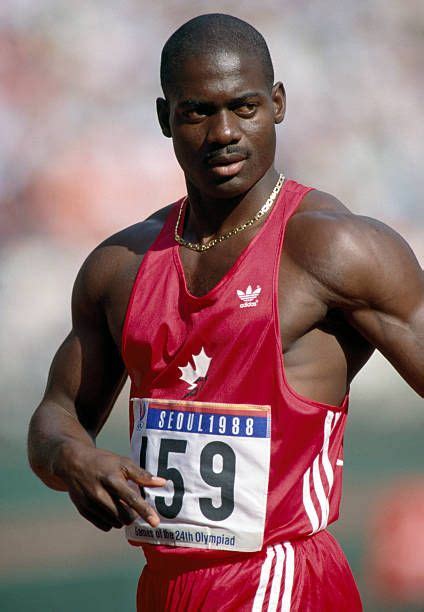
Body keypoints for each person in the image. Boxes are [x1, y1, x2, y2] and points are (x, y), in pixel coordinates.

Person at [28, 13, 424, 612]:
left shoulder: (334, 248)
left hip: (281, 582)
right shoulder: (120, 267)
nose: (223, 133)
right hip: (163, 587)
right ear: (165, 118)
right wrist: (72, 455)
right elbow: (55, 415)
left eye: (244, 107)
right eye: (197, 112)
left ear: (279, 104)